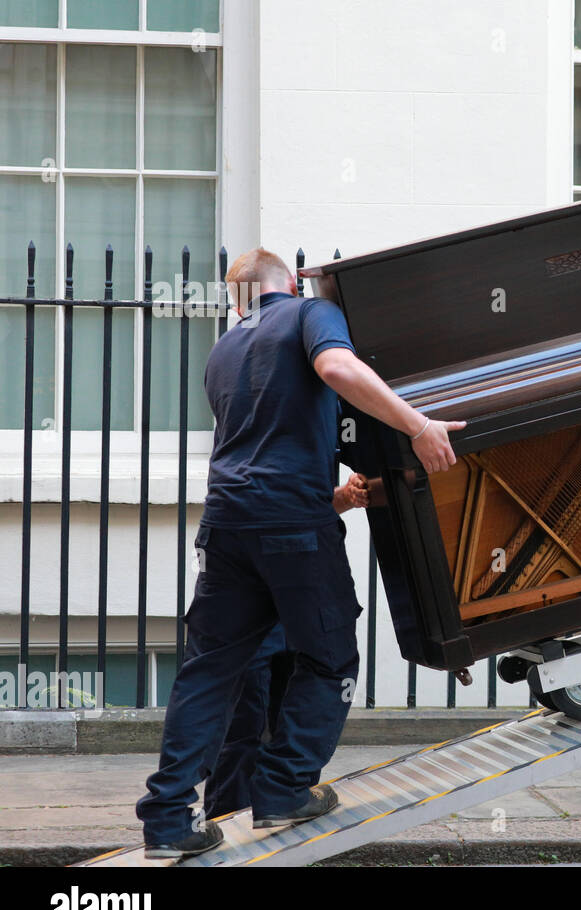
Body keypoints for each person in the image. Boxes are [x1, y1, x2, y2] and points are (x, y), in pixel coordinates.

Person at [137, 248, 466, 859]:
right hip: (290, 525)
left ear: (239, 297)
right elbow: (339, 372)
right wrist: (419, 427)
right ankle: (286, 786)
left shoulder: (224, 350)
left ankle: (167, 819)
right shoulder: (308, 315)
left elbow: (267, 440)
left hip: (228, 524)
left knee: (208, 669)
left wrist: (335, 496)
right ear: (289, 281)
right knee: (331, 655)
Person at [202, 474, 368, 822]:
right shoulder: (266, 434)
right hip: (261, 597)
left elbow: (301, 506)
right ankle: (232, 821)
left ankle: (285, 804)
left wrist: (341, 498)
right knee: (244, 726)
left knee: (288, 713)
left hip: (296, 599)